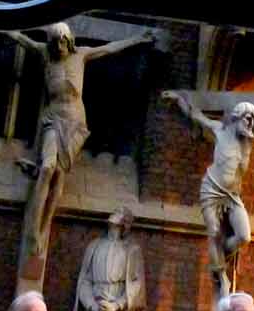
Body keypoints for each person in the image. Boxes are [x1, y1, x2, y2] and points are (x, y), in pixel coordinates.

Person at [8, 22, 155, 289]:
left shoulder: (81, 54)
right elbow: (21, 38)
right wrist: (1, 22)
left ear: (69, 41)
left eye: (62, 42)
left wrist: (137, 39)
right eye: (55, 42)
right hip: (53, 119)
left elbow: (109, 48)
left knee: (59, 176)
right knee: (47, 168)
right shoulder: (45, 54)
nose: (59, 47)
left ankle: (44, 227)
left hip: (74, 122)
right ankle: (33, 227)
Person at [163, 94, 254, 298]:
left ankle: (220, 259)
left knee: (244, 236)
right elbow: (195, 115)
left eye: (253, 119)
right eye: (247, 118)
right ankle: (220, 274)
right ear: (236, 118)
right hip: (211, 190)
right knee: (214, 232)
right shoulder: (220, 130)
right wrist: (178, 99)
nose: (251, 122)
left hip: (233, 195)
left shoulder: (250, 135)